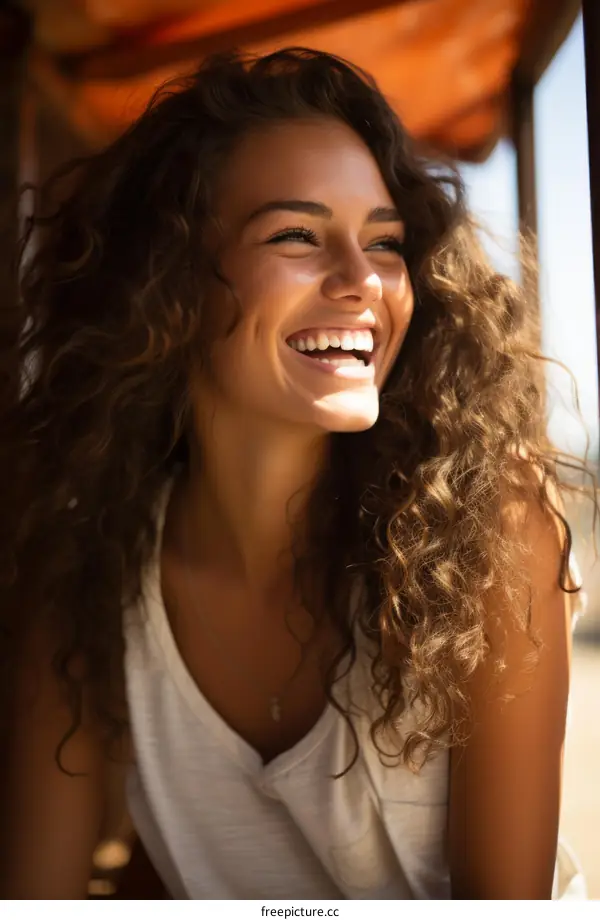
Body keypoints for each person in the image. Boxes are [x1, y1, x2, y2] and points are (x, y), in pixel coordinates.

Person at [0, 47, 593, 900]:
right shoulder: (83, 565)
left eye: (384, 243)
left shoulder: (487, 526)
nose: (364, 282)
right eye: (296, 235)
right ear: (169, 285)